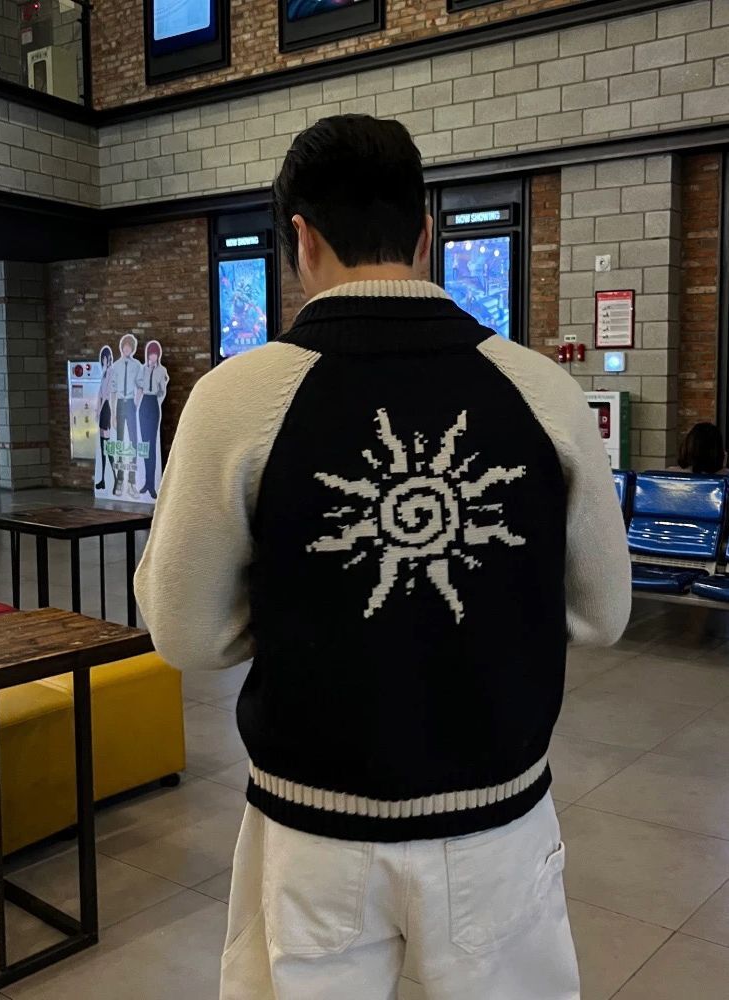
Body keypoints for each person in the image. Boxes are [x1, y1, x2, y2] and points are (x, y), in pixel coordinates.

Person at [134, 115, 631, 1000]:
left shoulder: (234, 398)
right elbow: (604, 612)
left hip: (312, 828)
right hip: (496, 821)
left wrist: (309, 617)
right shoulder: (543, 389)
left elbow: (184, 631)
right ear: (424, 233)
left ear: (300, 237)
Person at [110, 334, 142, 500]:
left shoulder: (137, 365)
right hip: (120, 405)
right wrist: (113, 414)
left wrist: (135, 403)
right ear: (122, 347)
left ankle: (132, 482)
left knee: (134, 442)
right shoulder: (115, 366)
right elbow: (112, 391)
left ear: (133, 348)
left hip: (130, 403)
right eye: (125, 346)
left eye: (130, 346)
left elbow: (140, 386)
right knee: (120, 442)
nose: (127, 348)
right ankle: (120, 479)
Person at [136, 340, 169, 500]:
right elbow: (138, 385)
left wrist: (159, 394)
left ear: (158, 355)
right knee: (144, 445)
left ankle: (152, 484)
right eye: (151, 353)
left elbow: (162, 390)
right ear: (148, 354)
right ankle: (147, 482)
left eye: (155, 353)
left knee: (153, 446)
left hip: (153, 403)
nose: (153, 356)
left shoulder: (162, 370)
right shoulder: (142, 369)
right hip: (144, 404)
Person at [94, 345, 115, 492]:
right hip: (102, 410)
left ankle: (115, 477)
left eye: (106, 358)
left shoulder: (111, 372)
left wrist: (101, 409)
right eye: (103, 358)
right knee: (103, 446)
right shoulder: (103, 373)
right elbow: (99, 394)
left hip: (107, 409)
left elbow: (108, 394)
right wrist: (97, 411)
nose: (104, 361)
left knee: (108, 446)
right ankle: (103, 479)